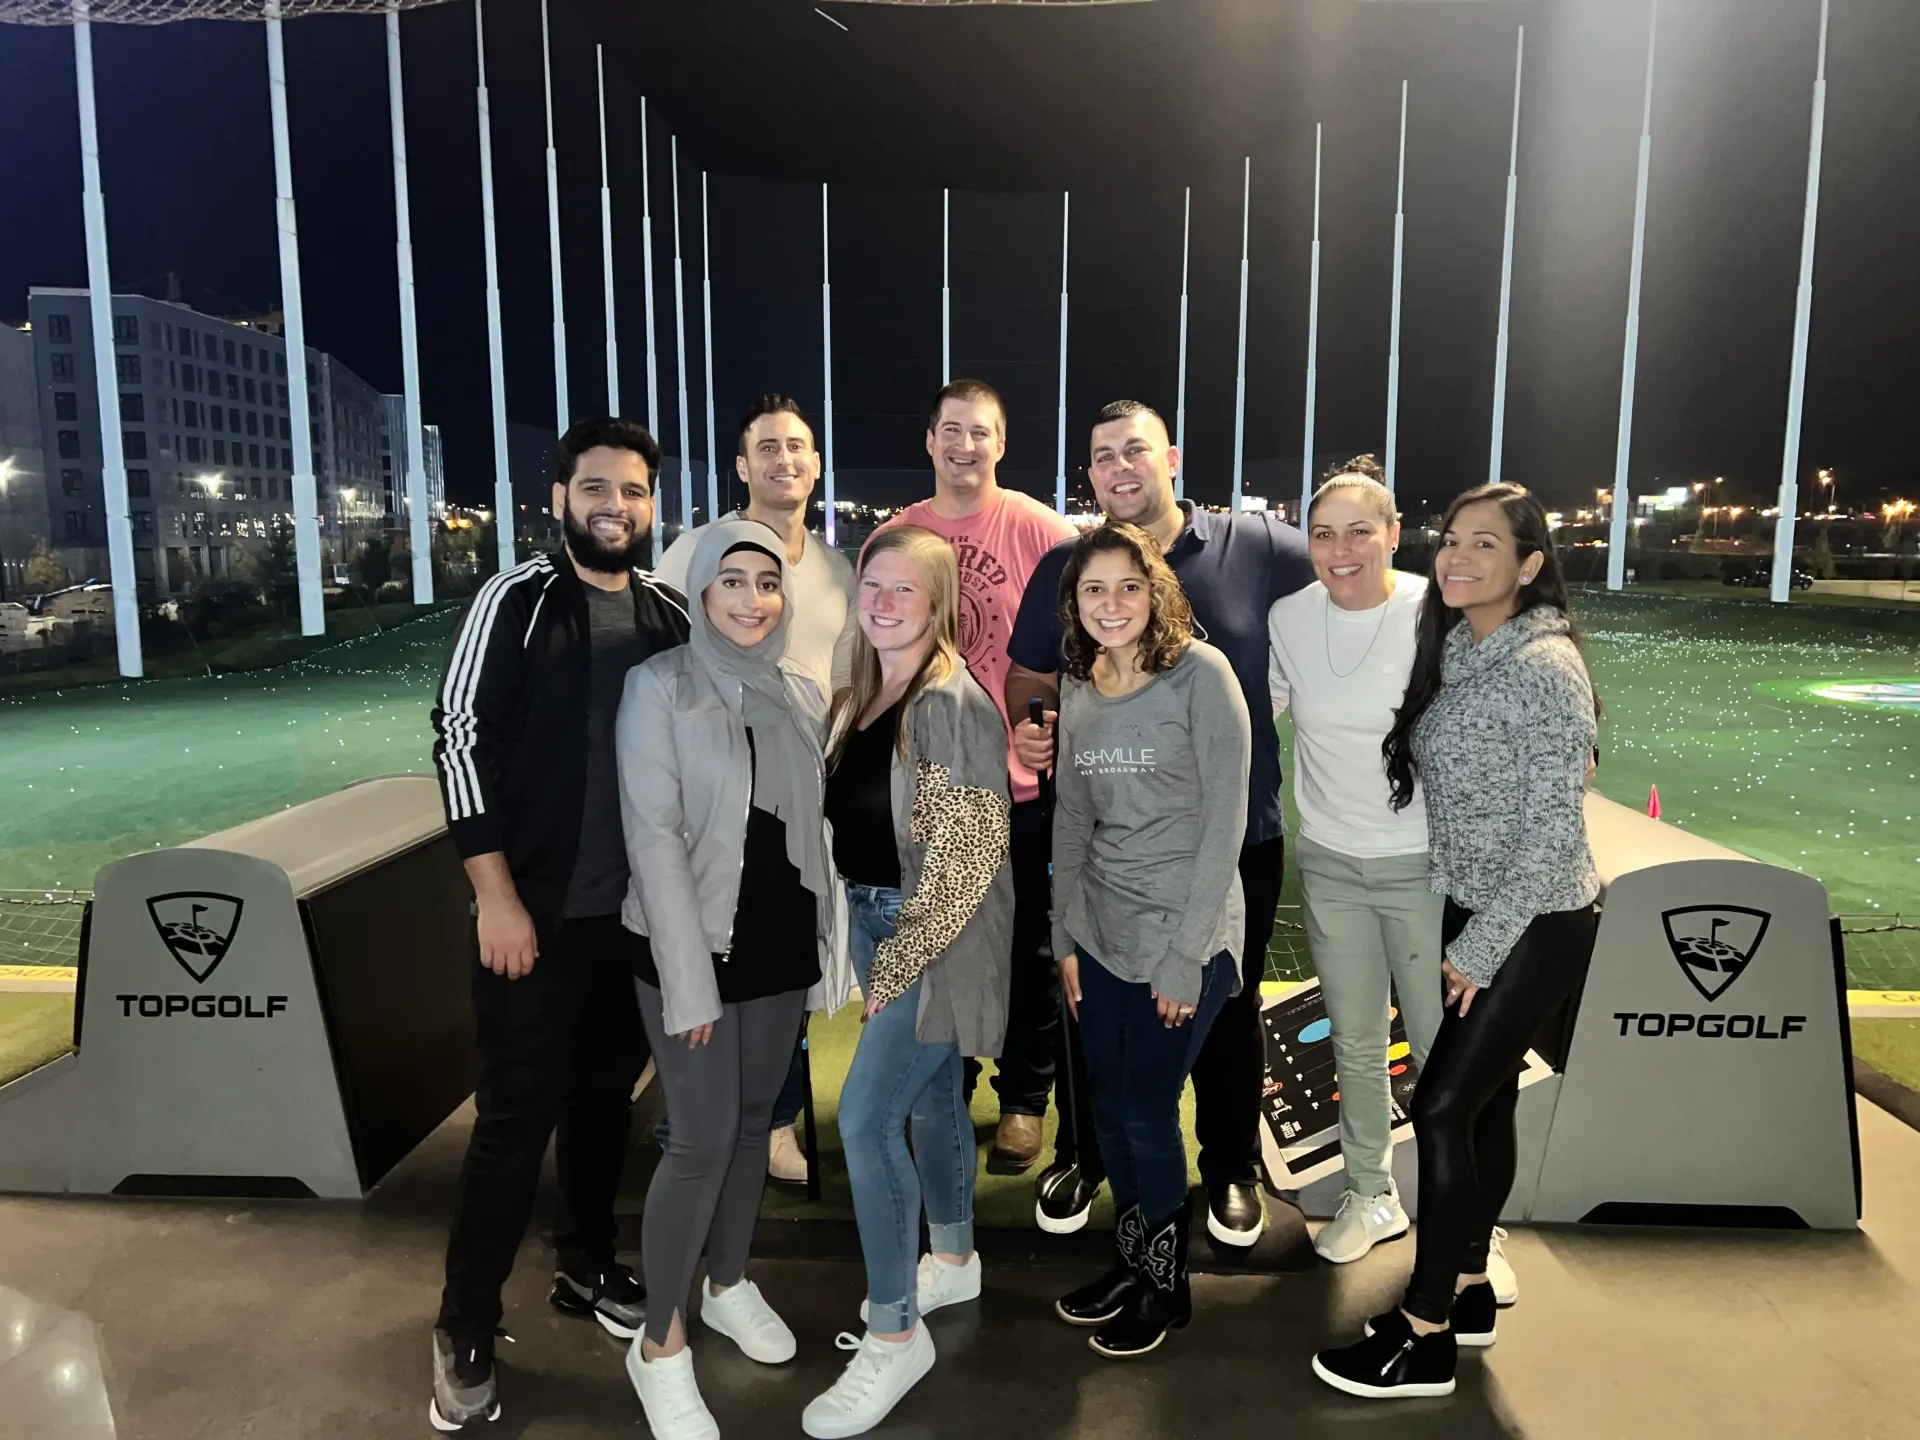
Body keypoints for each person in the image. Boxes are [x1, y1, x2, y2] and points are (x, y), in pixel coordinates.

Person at [427, 417, 690, 1433]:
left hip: (630, 922)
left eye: (632, 490)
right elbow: (458, 738)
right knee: (512, 1124)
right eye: (595, 488)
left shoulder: (670, 612)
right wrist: (495, 895)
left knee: (601, 1107)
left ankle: (583, 1264)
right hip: (531, 918)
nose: (614, 506)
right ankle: (464, 1323)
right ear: (561, 500)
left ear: (652, 503)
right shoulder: (516, 601)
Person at [1312, 483, 1600, 1401]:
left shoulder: (1547, 665)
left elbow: (1553, 831)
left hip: (1537, 921)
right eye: (1452, 541)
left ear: (1530, 564)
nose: (1459, 558)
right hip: (1474, 908)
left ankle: (1424, 1331)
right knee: (1484, 1104)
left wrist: (1479, 950)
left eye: (1485, 544)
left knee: (1439, 1108)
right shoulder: (1464, 647)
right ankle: (1469, 1288)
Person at [1006, 400, 1313, 1242]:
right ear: (1090, 473)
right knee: (1095, 1009)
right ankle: (1089, 1155)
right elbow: (1031, 674)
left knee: (1224, 1007)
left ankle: (1229, 1166)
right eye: (1103, 455)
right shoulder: (1070, 565)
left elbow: (1363, 573)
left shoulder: (1255, 544)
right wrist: (1036, 729)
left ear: (1169, 457)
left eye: (1134, 449)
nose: (1120, 467)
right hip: (1113, 844)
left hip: (1232, 835)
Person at [616, 519, 852, 1439]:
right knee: (700, 1139)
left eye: (767, 583)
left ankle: (726, 1282)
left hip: (778, 946)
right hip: (693, 949)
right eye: (733, 582)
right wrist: (688, 985)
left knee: (756, 1121)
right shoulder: (659, 686)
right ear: (702, 591)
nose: (753, 600)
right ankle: (659, 1343)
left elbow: (815, 829)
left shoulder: (797, 688)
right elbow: (653, 840)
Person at [800, 526, 1013, 1439]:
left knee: (863, 1119)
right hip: (879, 916)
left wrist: (899, 960)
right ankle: (953, 1259)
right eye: (873, 586)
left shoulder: (949, 704)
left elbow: (965, 859)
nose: (884, 604)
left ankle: (895, 1335)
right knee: (928, 1102)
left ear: (938, 605)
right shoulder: (863, 691)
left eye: (905, 591)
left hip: (937, 937)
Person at [1049, 522, 1251, 1360]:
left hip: (1185, 935)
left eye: (1128, 586)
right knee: (1108, 1106)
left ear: (1156, 592)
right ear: (1075, 602)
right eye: (1094, 589)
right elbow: (1070, 817)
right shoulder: (1079, 682)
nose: (1112, 604)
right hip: (1100, 931)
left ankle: (1168, 1290)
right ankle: (1134, 1264)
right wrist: (1063, 933)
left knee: (1145, 1108)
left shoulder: (1202, 676)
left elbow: (1225, 826)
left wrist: (1183, 956)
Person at [867, 379, 1075, 1175]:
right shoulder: (897, 534)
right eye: (950, 430)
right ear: (929, 440)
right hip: (931, 785)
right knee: (941, 944)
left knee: (1030, 948)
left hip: (1021, 784)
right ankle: (943, 1091)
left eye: (980, 431)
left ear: (1001, 443)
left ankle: (1024, 1100)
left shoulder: (1042, 531)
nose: (964, 445)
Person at [653, 394, 857, 1186]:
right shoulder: (694, 551)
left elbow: (848, 684)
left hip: (801, 798)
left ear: (816, 464)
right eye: (767, 448)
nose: (784, 460)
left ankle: (772, 1120)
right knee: (709, 954)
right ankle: (690, 1119)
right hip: (712, 801)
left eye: (797, 446)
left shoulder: (836, 570)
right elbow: (661, 663)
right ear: (742, 466)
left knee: (786, 962)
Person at [1267, 456, 1448, 1266]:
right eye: (1323, 534)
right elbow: (1250, 712)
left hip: (1426, 865)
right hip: (1331, 864)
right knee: (1356, 1042)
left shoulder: (1436, 610)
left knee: (1445, 1051)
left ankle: (1464, 1217)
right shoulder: (1289, 617)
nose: (1341, 551)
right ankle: (1371, 1195)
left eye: (1359, 532)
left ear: (1395, 534)